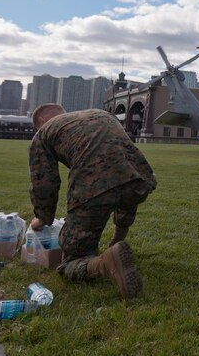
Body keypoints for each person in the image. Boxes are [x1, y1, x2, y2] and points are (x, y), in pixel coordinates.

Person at [28, 104, 155, 299]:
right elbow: (120, 166)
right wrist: (118, 237)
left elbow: (45, 183)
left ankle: (105, 263)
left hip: (93, 187)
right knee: (125, 191)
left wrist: (43, 218)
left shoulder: (44, 132)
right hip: (139, 178)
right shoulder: (100, 114)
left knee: (71, 261)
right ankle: (117, 244)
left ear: (42, 122)